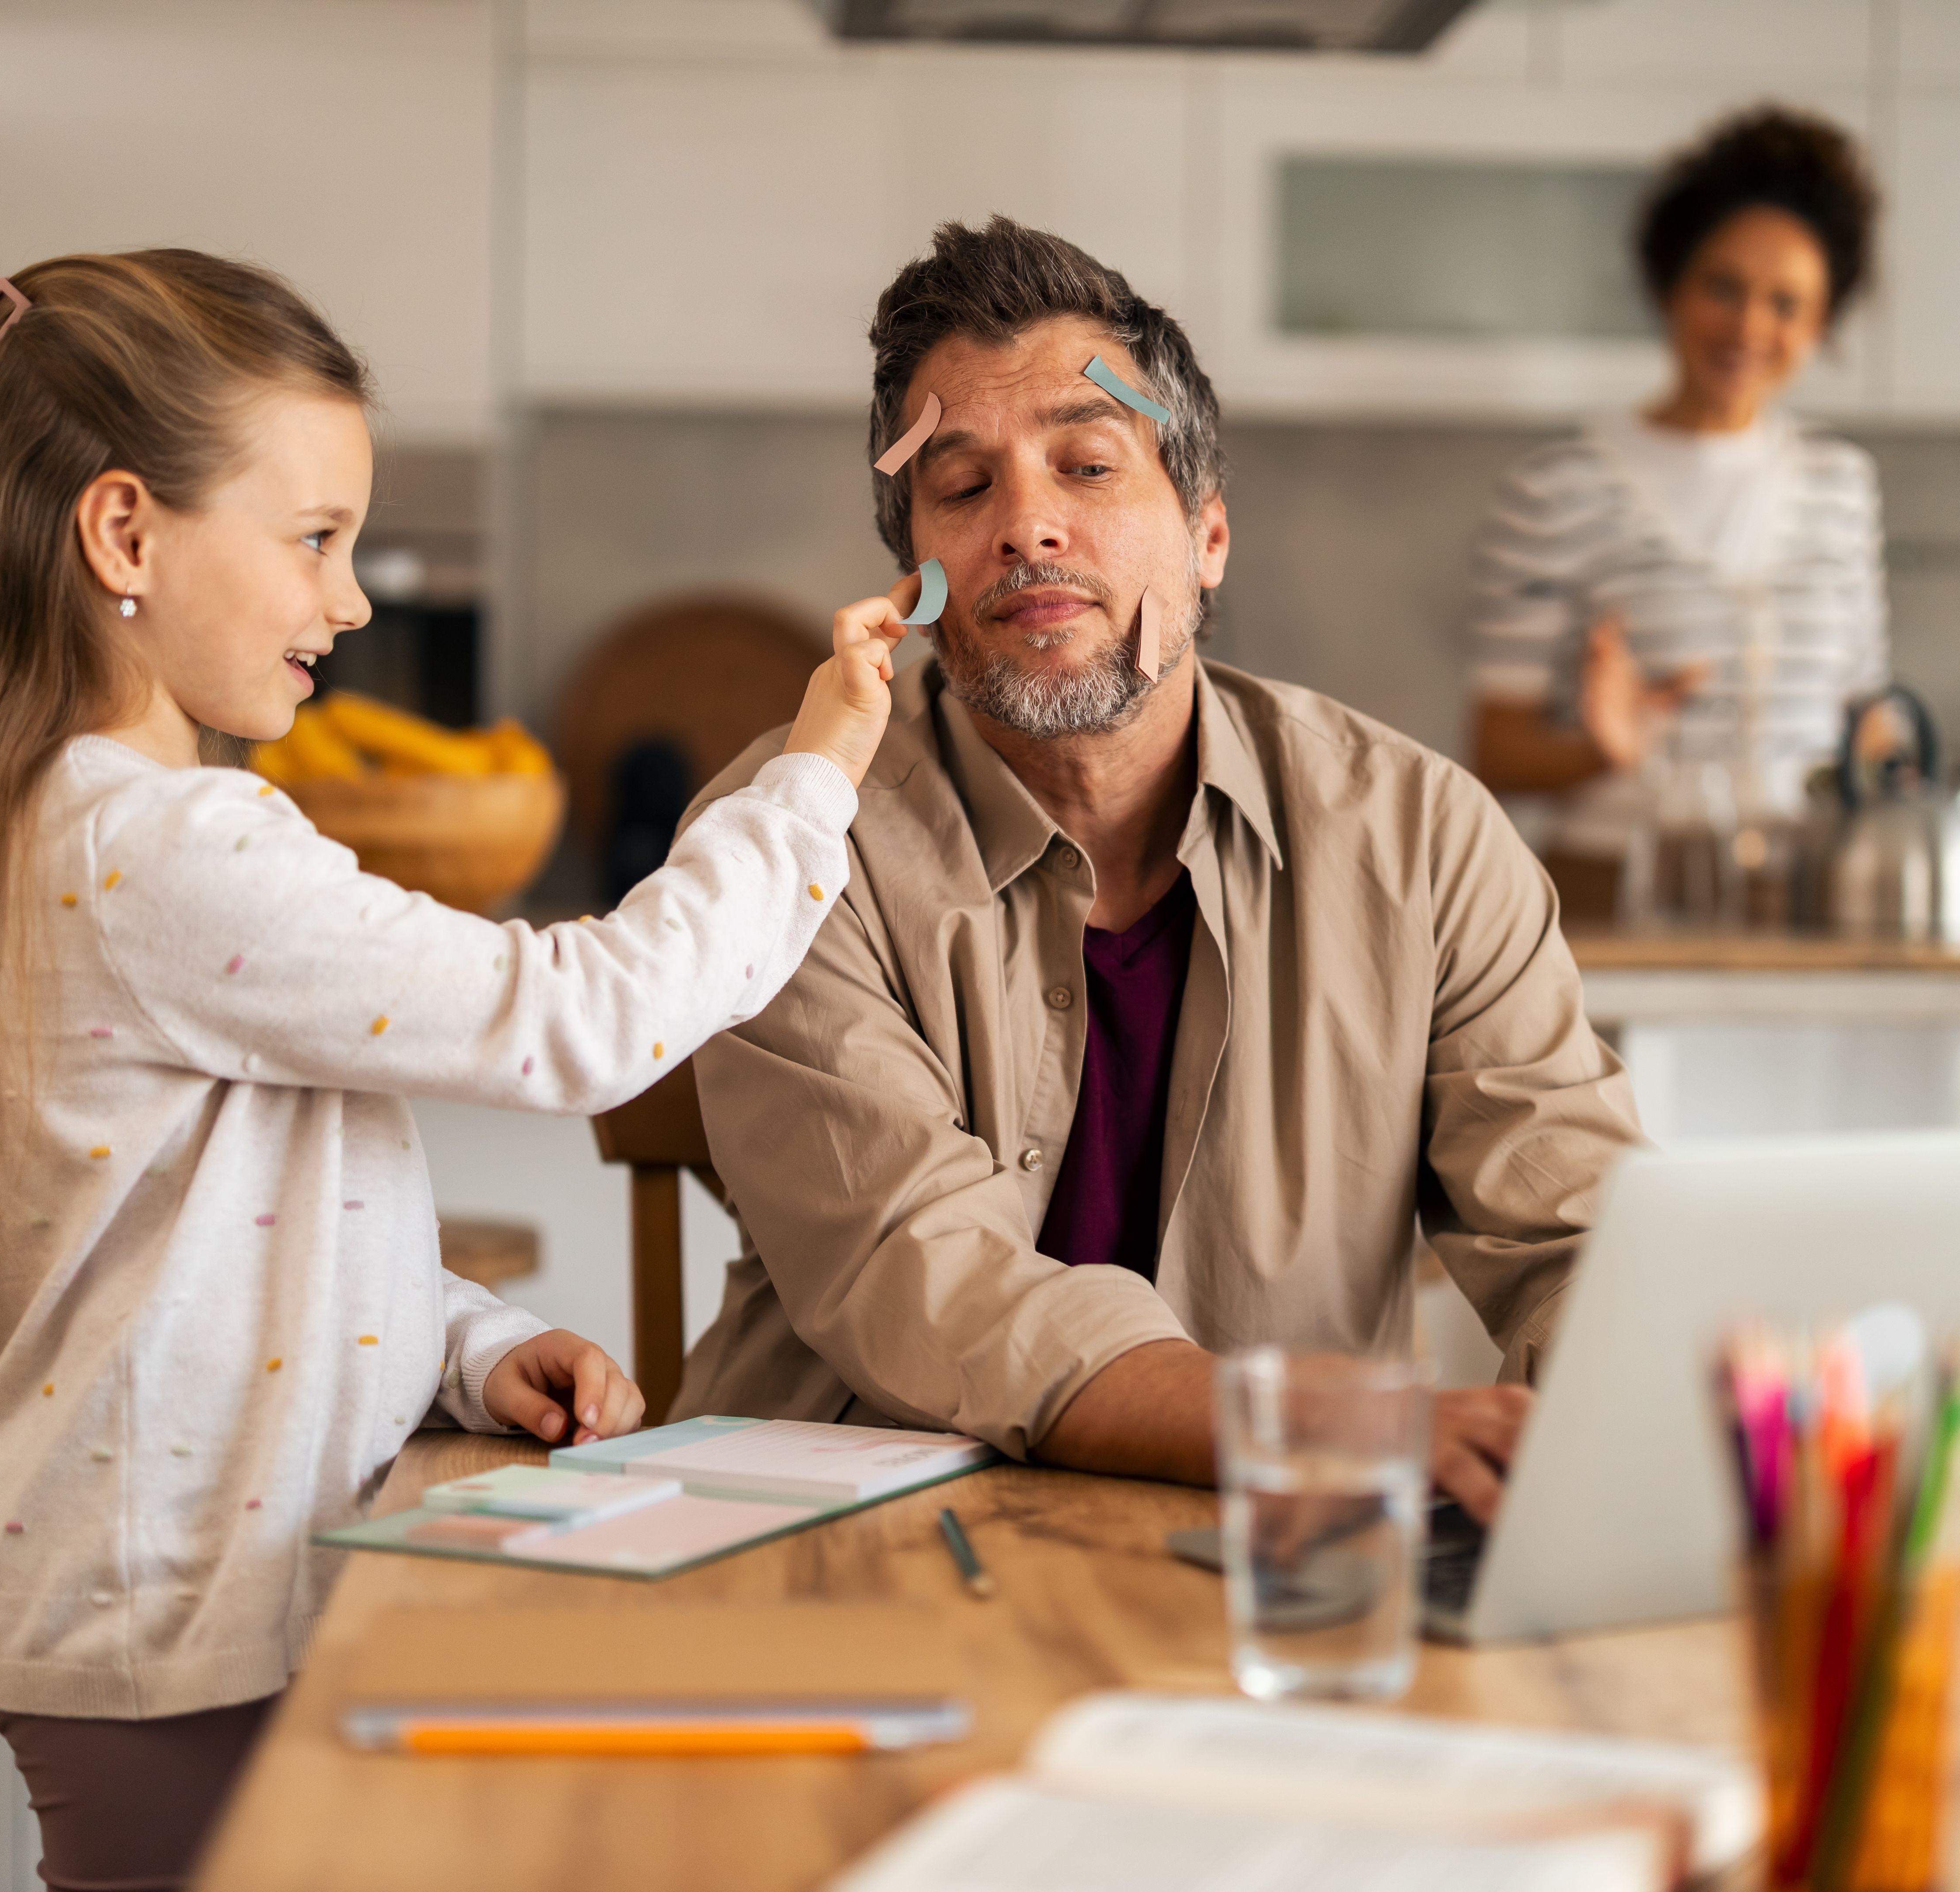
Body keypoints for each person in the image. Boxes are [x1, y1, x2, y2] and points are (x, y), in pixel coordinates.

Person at [0, 250, 899, 1891]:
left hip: (166, 1610)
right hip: (176, 1627)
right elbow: (582, 1021)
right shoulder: (161, 848)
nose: (349, 602)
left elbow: (230, 1234)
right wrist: (820, 762)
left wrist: (469, 1351)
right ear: (125, 534)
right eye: (316, 540)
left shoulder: (89, 824)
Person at [673, 217, 1646, 1522]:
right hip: (860, 1551)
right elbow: (928, 1277)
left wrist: (1596, 1455)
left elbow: (1584, 1238)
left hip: (1300, 1564)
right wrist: (1334, 1424)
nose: (1028, 527)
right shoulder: (784, 842)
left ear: (1208, 539)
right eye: (962, 489)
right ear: (913, 578)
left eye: (1087, 465)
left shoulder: (1426, 843)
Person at [1470, 106, 1889, 921]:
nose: (1749, 327)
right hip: (1612, 889)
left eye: (1787, 303)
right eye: (1723, 288)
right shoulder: (1559, 490)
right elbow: (1495, 747)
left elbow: (1866, 719)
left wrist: (1890, 782)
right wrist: (1600, 749)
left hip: (1803, 898)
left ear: (1823, 321)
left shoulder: (1843, 486)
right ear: (1671, 285)